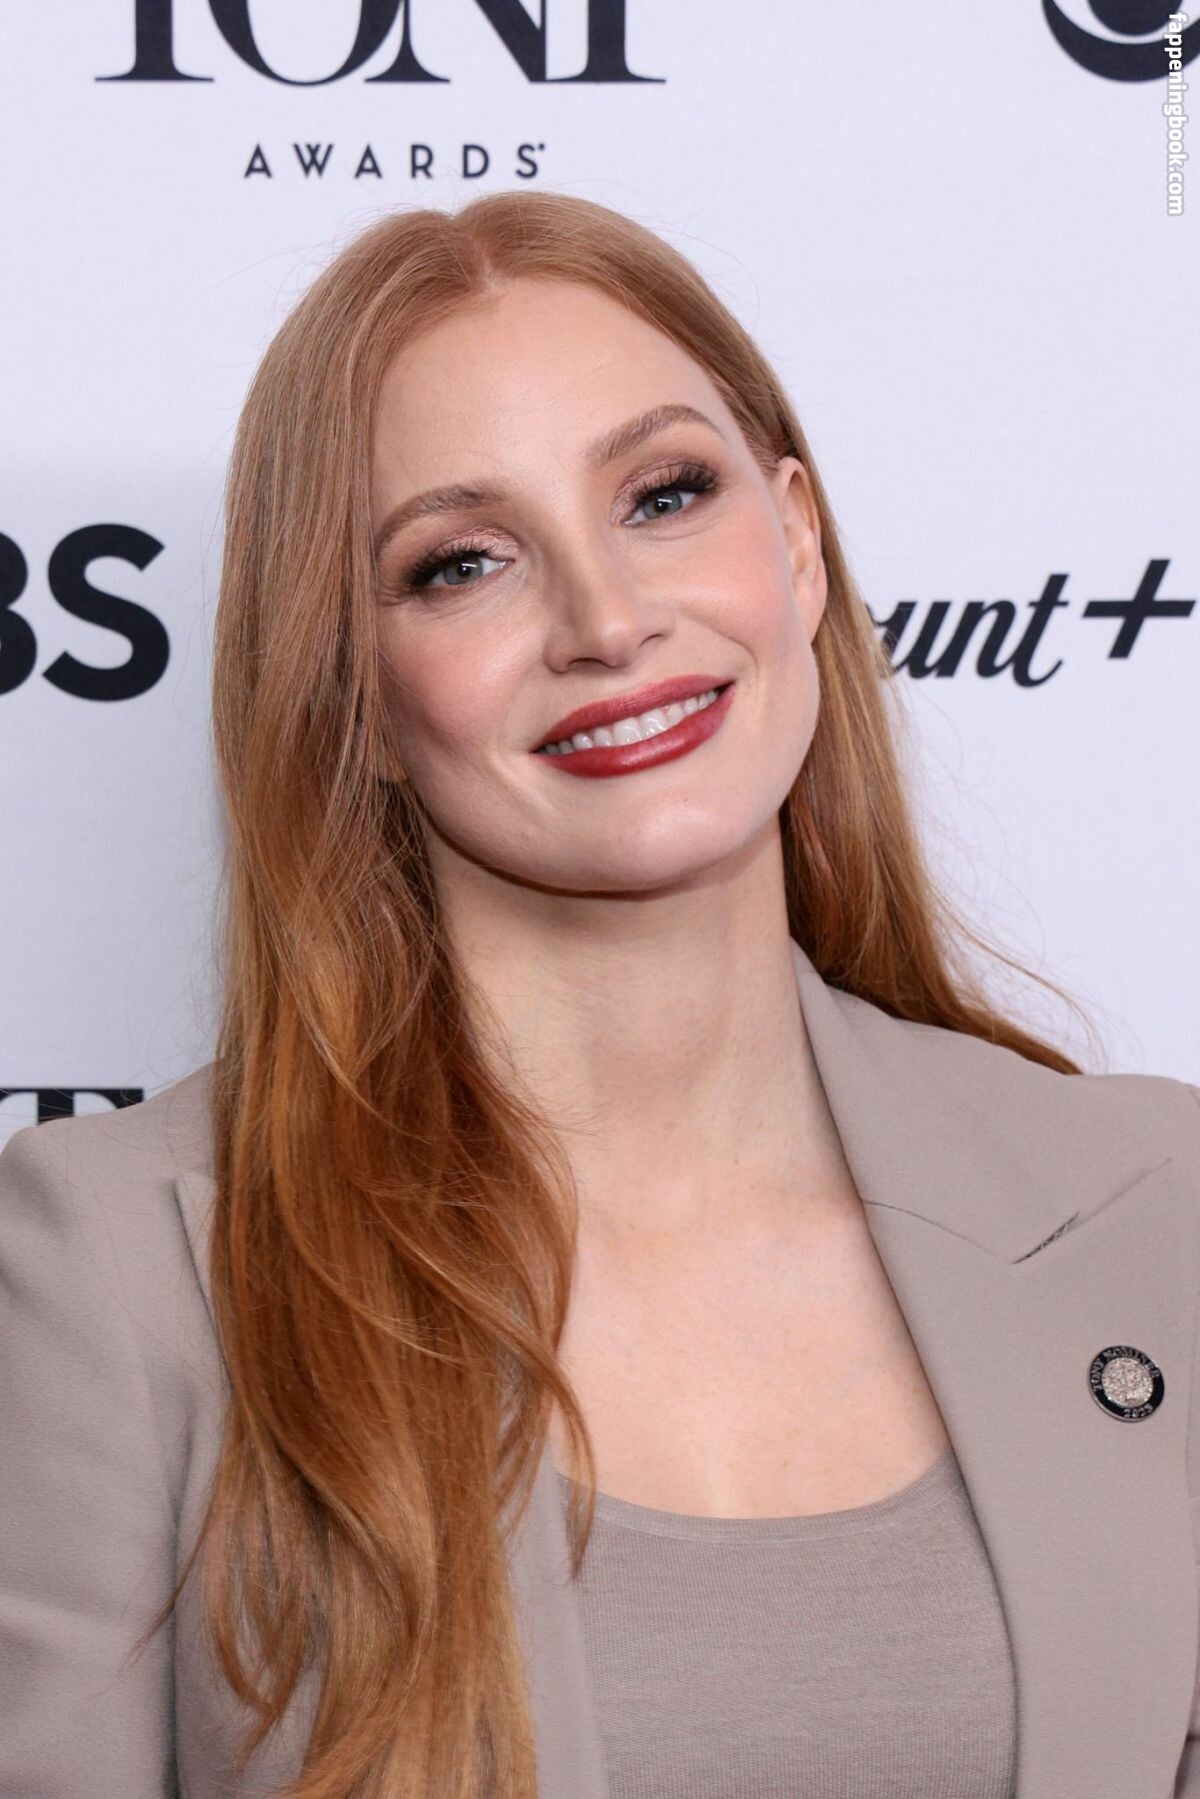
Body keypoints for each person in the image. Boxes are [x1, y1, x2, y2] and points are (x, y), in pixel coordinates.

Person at [1, 190, 1199, 1799]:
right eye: (461, 564)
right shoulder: (123, 1273)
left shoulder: (1158, 1209)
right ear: (351, 695)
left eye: (664, 495)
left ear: (797, 542)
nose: (608, 620)